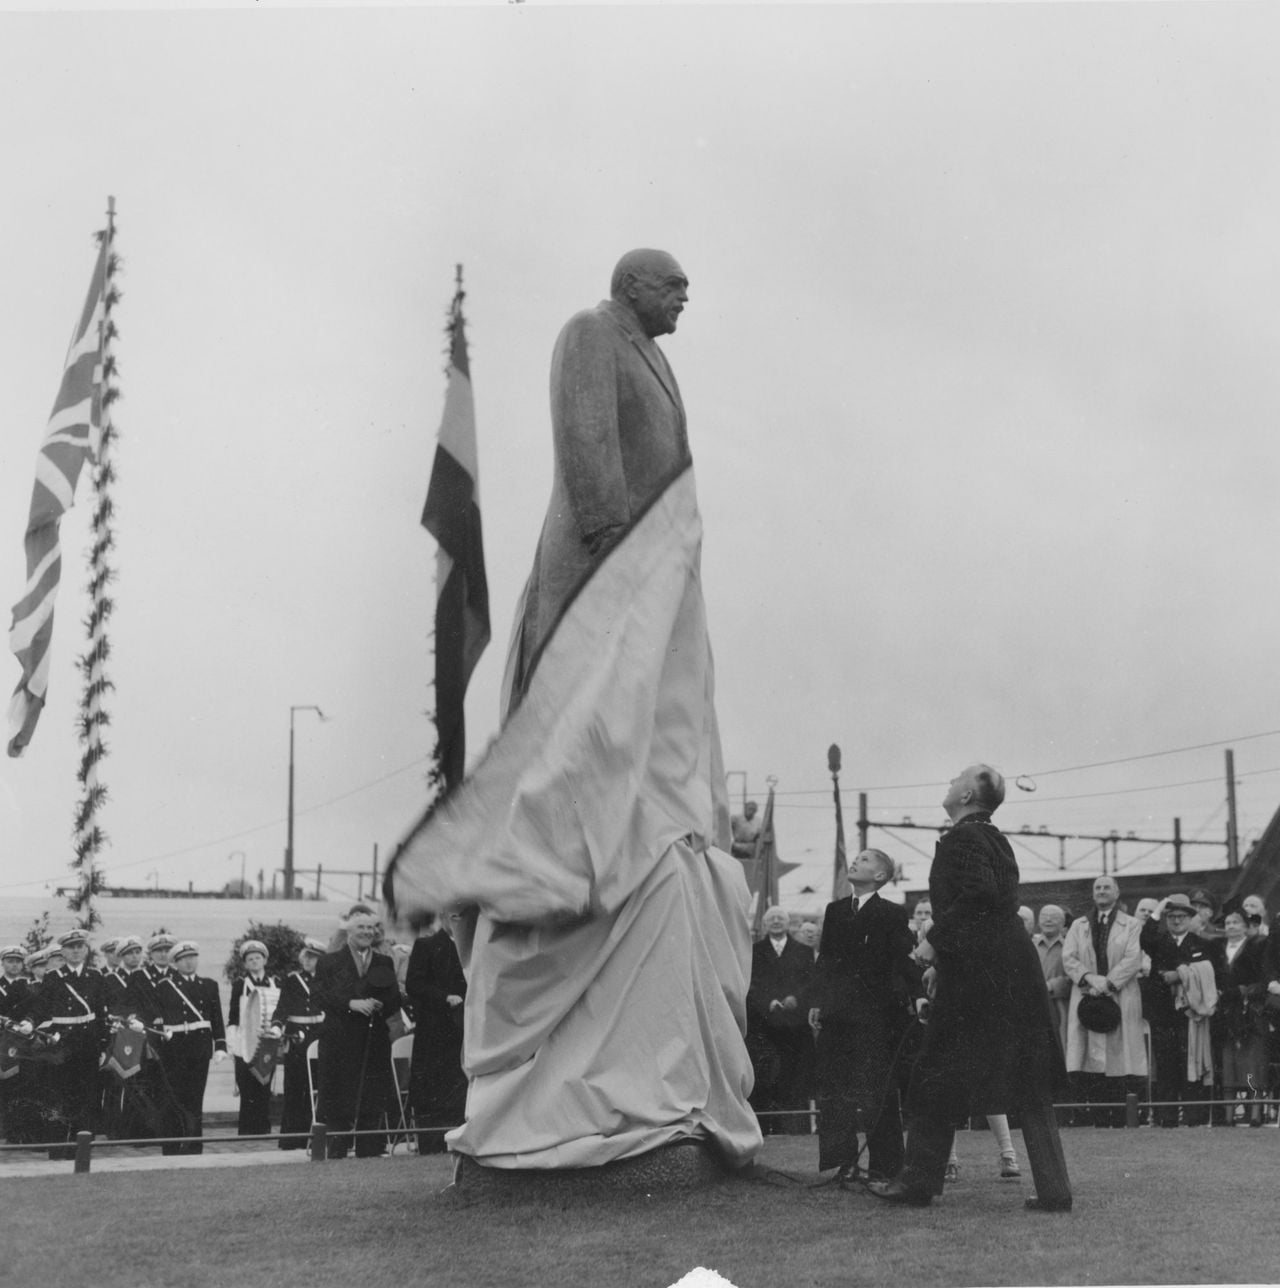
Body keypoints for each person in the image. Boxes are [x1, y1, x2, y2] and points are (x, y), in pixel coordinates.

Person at [384, 249, 759, 1175]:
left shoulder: (655, 355)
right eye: (673, 286)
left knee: (654, 728)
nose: (685, 300)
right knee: (589, 717)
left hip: (658, 575)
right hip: (605, 570)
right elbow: (588, 445)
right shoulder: (593, 335)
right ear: (632, 285)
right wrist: (612, 564)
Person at [868, 764, 1072, 1212]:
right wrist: (945, 959)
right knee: (1029, 1078)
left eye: (955, 778)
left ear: (966, 796)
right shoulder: (993, 837)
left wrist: (932, 943)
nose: (948, 781)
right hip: (1008, 969)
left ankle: (919, 1183)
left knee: (935, 1071)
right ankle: (1055, 1190)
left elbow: (977, 895)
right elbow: (991, 903)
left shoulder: (961, 837)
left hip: (981, 977)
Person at [808, 849, 917, 1183]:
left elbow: (901, 961)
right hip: (837, 1015)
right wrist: (817, 1001)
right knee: (835, 1090)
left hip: (876, 1017)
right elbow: (825, 961)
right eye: (857, 858)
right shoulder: (835, 910)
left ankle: (886, 1166)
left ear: (881, 876)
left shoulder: (892, 913)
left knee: (877, 1092)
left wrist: (916, 997)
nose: (856, 861)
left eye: (867, 860)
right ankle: (841, 1163)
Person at [313, 908, 402, 1159]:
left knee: (371, 1099)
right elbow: (318, 996)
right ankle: (336, 1153)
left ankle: (370, 1153)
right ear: (349, 931)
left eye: (372, 927)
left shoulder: (384, 961)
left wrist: (381, 1003)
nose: (367, 932)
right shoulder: (329, 961)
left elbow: (394, 998)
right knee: (338, 1101)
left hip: (373, 1043)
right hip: (340, 1043)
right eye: (361, 927)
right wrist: (350, 1003)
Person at [1062, 877, 1145, 1127]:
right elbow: (1070, 958)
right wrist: (1090, 979)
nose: (1101, 891)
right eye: (1097, 888)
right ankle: (1095, 1117)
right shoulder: (1079, 925)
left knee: (1120, 1057)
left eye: (1106, 887)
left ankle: (1120, 1118)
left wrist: (1108, 983)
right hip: (1088, 994)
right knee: (1089, 1057)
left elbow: (1133, 958)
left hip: (1119, 994)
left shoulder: (1132, 925)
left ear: (1117, 892)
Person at [1140, 893, 1222, 1127]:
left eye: (1181, 917)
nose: (1176, 921)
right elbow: (1144, 939)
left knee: (1192, 1064)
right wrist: (1156, 911)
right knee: (1166, 1066)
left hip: (1191, 1016)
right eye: (1172, 916)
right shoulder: (1159, 943)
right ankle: (1166, 1118)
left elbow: (1211, 974)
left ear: (1190, 919)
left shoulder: (1203, 944)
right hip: (1163, 1013)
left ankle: (1193, 1117)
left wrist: (1182, 975)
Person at [29, 929, 106, 1158]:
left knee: (87, 1098)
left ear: (86, 950)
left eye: (80, 946)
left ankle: (81, 1151)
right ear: (62, 951)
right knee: (58, 1097)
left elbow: (102, 1014)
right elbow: (41, 1008)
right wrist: (28, 1021)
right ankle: (57, 1148)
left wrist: (103, 1045)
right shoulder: (53, 978)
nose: (75, 950)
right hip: (61, 1047)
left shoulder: (96, 977)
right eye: (70, 947)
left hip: (88, 1046)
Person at [747, 906, 815, 1135]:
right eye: (771, 918)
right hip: (765, 1027)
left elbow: (811, 983)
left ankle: (797, 1130)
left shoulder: (804, 952)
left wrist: (796, 997)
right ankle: (765, 1130)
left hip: (795, 1028)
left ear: (788, 924)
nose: (776, 921)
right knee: (766, 1079)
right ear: (765, 924)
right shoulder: (754, 951)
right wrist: (768, 1001)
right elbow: (751, 984)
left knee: (795, 1081)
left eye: (780, 918)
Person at [404, 914, 467, 1154]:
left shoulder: (472, 948)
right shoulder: (426, 946)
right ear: (443, 918)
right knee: (433, 1089)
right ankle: (431, 1145)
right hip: (435, 1032)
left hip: (463, 1032)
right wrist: (444, 998)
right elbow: (414, 984)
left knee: (459, 1087)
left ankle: (458, 1143)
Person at [156, 941, 227, 1154]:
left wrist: (220, 1045)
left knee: (195, 1099)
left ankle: (194, 1146)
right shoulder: (165, 985)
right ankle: (171, 1146)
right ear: (175, 963)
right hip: (174, 1049)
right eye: (183, 959)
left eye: (192, 957)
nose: (189, 962)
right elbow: (157, 1018)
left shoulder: (209, 985)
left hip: (199, 1048)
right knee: (173, 1099)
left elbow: (216, 1018)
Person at [1214, 910, 1268, 1126]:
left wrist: (1244, 991)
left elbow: (1264, 977)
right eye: (1228, 922)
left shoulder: (1258, 946)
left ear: (1246, 926)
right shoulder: (1218, 950)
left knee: (1252, 1066)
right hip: (1225, 1011)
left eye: (1236, 922)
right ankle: (1228, 1116)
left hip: (1250, 1012)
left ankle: (1255, 1115)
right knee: (1229, 1066)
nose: (1231, 926)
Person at [272, 937, 327, 1151]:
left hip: (320, 1036)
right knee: (295, 1089)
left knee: (319, 1088)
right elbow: (282, 1007)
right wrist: (277, 1025)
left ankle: (318, 1139)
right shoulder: (292, 981)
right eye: (306, 956)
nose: (307, 960)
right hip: (297, 1039)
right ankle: (291, 1140)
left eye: (312, 957)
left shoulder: (327, 981)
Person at [227, 940, 281, 1137]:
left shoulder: (275, 982)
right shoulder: (240, 984)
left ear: (265, 960)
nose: (254, 962)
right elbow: (233, 1016)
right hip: (245, 1043)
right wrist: (232, 1044)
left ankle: (263, 1129)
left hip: (267, 1042)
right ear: (245, 963)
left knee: (264, 1086)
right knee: (247, 1087)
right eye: (250, 959)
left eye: (258, 958)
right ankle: (247, 1130)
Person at [1035, 905, 1072, 1051]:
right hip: (1035, 1004)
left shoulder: (1070, 947)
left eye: (1054, 917)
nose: (1048, 920)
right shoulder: (1031, 946)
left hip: (1061, 1006)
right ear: (1038, 922)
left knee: (1061, 1046)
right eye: (1044, 916)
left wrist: (1051, 986)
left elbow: (1073, 977)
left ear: (1063, 923)